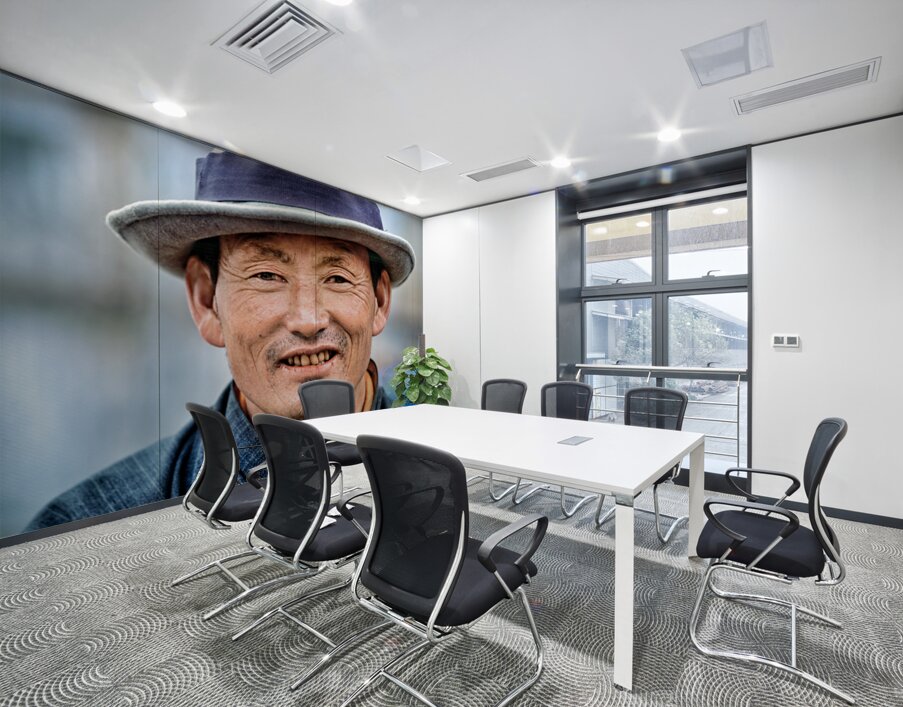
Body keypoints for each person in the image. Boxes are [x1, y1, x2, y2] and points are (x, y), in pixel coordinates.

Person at [27, 152, 415, 530]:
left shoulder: (446, 465)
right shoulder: (86, 525)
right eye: (266, 275)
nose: (307, 319)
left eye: (337, 278)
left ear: (379, 302)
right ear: (205, 301)